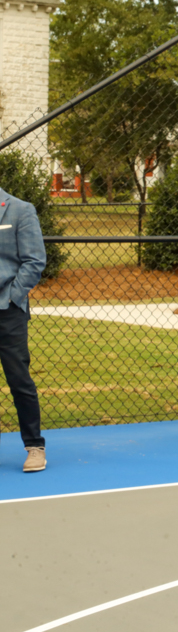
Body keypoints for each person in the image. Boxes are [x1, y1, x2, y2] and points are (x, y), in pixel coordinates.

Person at [0, 186, 48, 472]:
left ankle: (34, 446)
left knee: (20, 381)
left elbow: (34, 260)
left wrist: (12, 297)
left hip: (8, 312)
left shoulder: (20, 210)